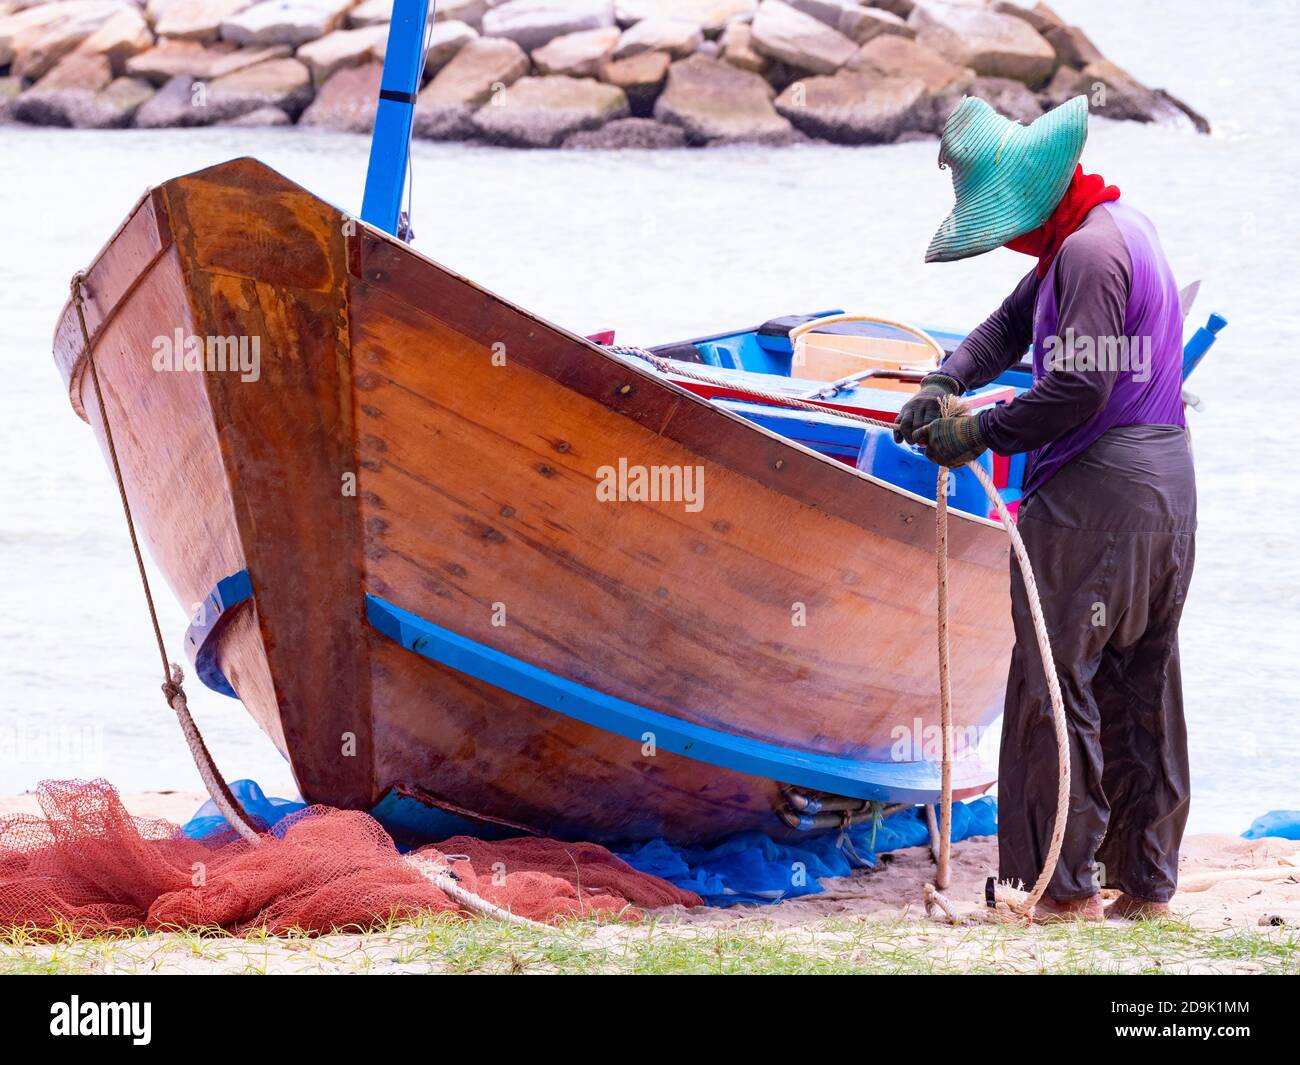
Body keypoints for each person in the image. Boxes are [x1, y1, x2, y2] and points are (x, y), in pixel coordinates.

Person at [896, 95, 1196, 922]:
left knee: (1054, 681)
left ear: (1026, 203)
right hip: (1167, 487)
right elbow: (1008, 326)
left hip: (1101, 492)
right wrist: (944, 381)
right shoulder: (1111, 227)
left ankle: (1062, 888)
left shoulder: (1088, 257)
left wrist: (975, 431)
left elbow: (1078, 386)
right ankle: (1146, 880)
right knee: (1143, 677)